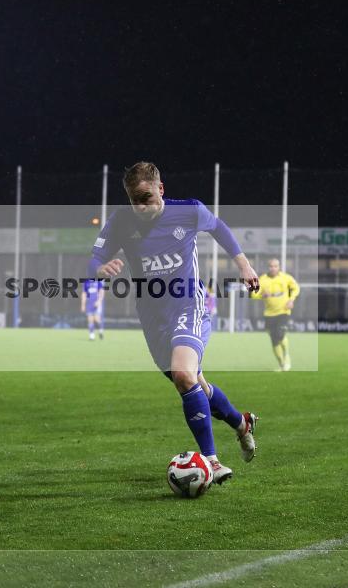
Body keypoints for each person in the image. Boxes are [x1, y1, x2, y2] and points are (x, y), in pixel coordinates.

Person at [89, 162, 259, 485]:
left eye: (146, 197)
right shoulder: (121, 221)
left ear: (161, 189)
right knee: (196, 384)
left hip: (188, 304)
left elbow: (220, 228)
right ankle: (241, 423)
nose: (140, 206)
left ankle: (210, 461)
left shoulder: (189, 212)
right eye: (133, 200)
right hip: (153, 319)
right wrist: (99, 269)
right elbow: (94, 258)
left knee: (183, 374)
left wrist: (245, 266)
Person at [251, 258, 299, 371]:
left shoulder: (286, 278)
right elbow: (253, 294)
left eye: (275, 266)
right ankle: (281, 363)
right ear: (268, 267)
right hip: (269, 314)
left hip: (283, 312)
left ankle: (286, 356)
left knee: (280, 333)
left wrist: (291, 300)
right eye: (271, 266)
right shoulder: (262, 280)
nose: (273, 268)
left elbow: (296, 288)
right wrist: (262, 295)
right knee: (274, 340)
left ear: (279, 267)